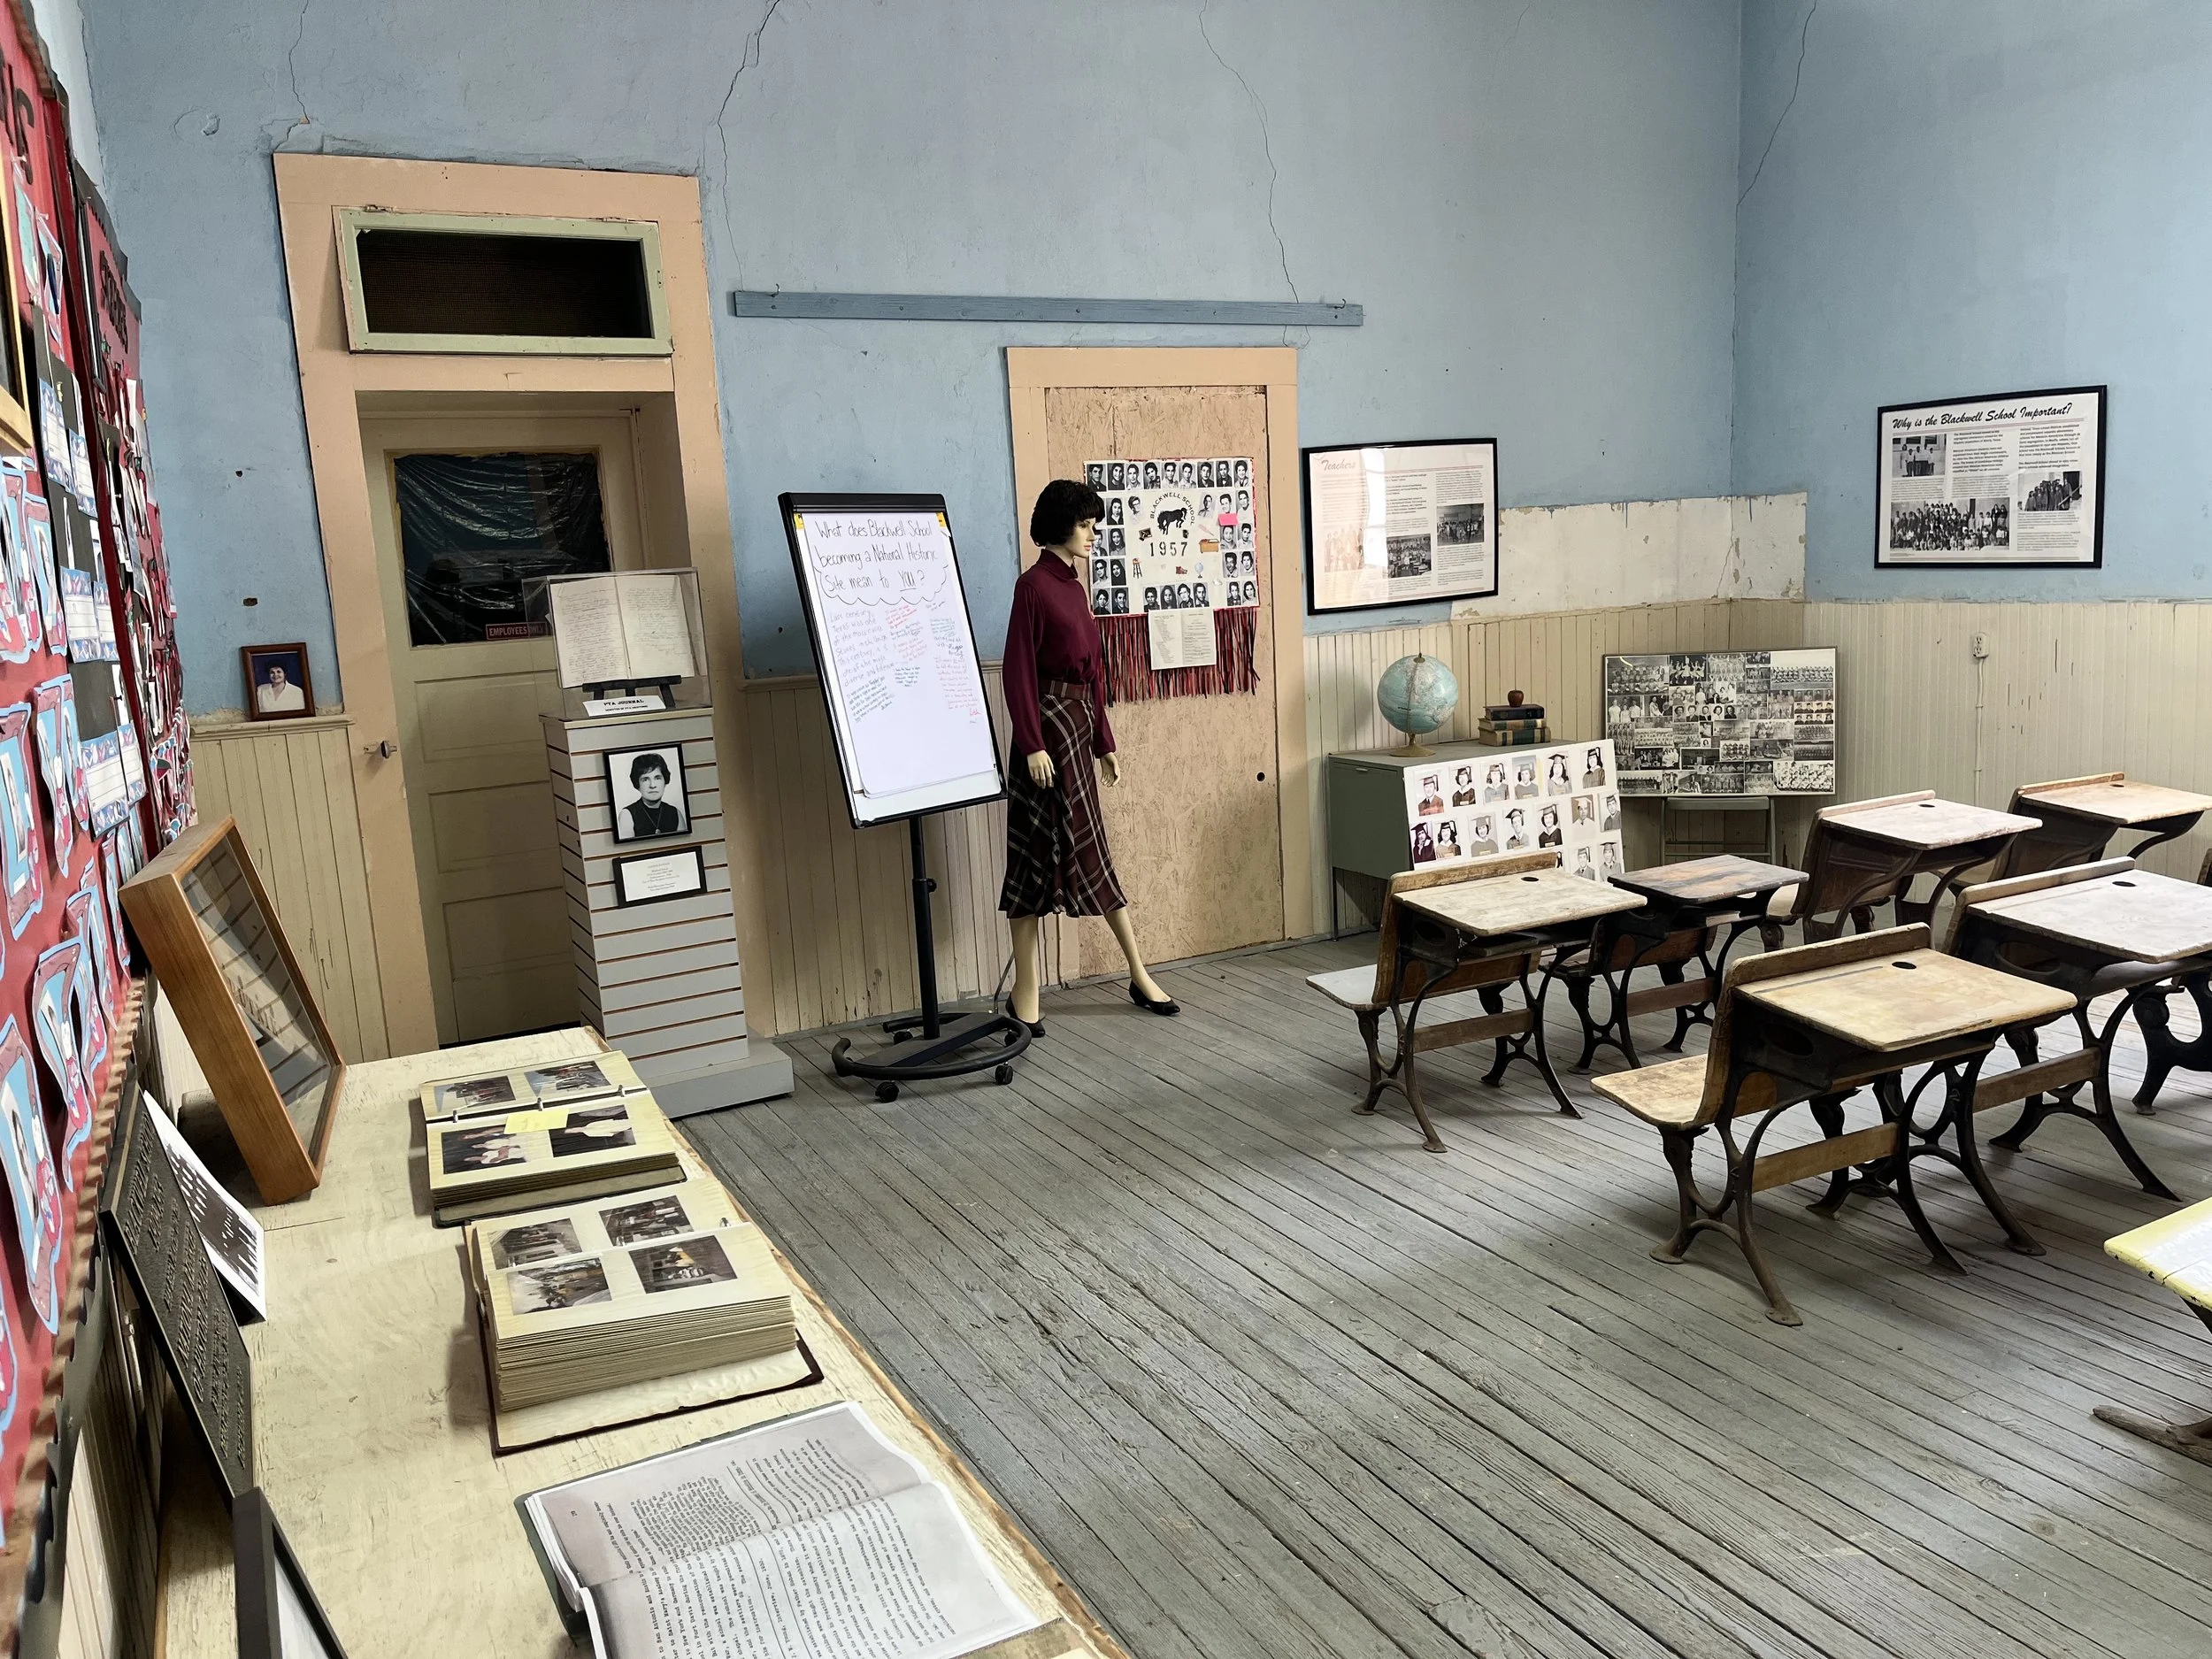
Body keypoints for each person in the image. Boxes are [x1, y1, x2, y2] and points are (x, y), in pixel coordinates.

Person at [1000, 480, 1176, 1034]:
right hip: (1044, 738)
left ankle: (1139, 972)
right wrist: (1030, 743)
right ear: (1060, 526)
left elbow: (1094, 675)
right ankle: (1026, 990)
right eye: (1086, 524)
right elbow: (1018, 672)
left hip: (1076, 733)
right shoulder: (1032, 587)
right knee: (1031, 857)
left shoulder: (1075, 589)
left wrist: (1105, 741)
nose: (1094, 533)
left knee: (1091, 847)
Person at [623, 751, 684, 839]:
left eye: (657, 778)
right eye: (645, 779)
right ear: (637, 784)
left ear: (665, 781)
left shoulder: (675, 813)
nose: (652, 785)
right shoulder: (627, 815)